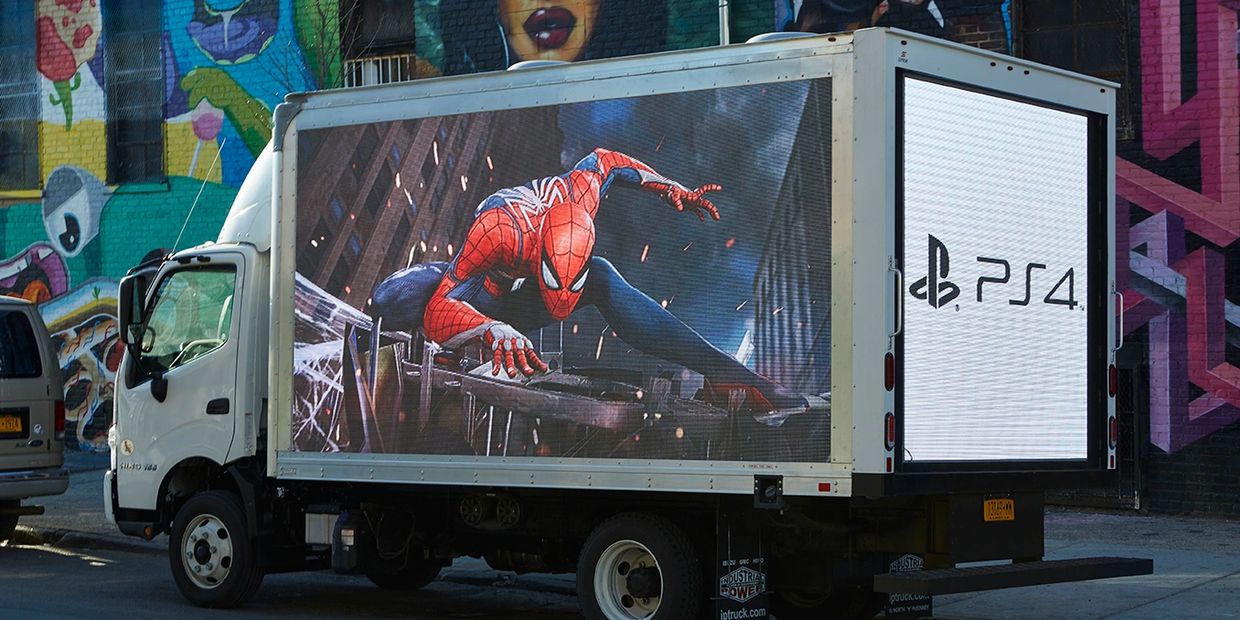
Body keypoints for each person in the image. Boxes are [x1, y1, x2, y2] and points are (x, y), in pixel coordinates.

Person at [371, 148, 809, 420]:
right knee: (392, 300)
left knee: (601, 274)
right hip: (478, 296)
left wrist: (669, 187)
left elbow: (610, 162)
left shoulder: (582, 195)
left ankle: (729, 376)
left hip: (516, 298)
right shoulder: (500, 231)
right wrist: (490, 329)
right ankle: (441, 348)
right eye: (554, 280)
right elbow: (437, 308)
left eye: (569, 284)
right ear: (538, 253)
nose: (563, 302)